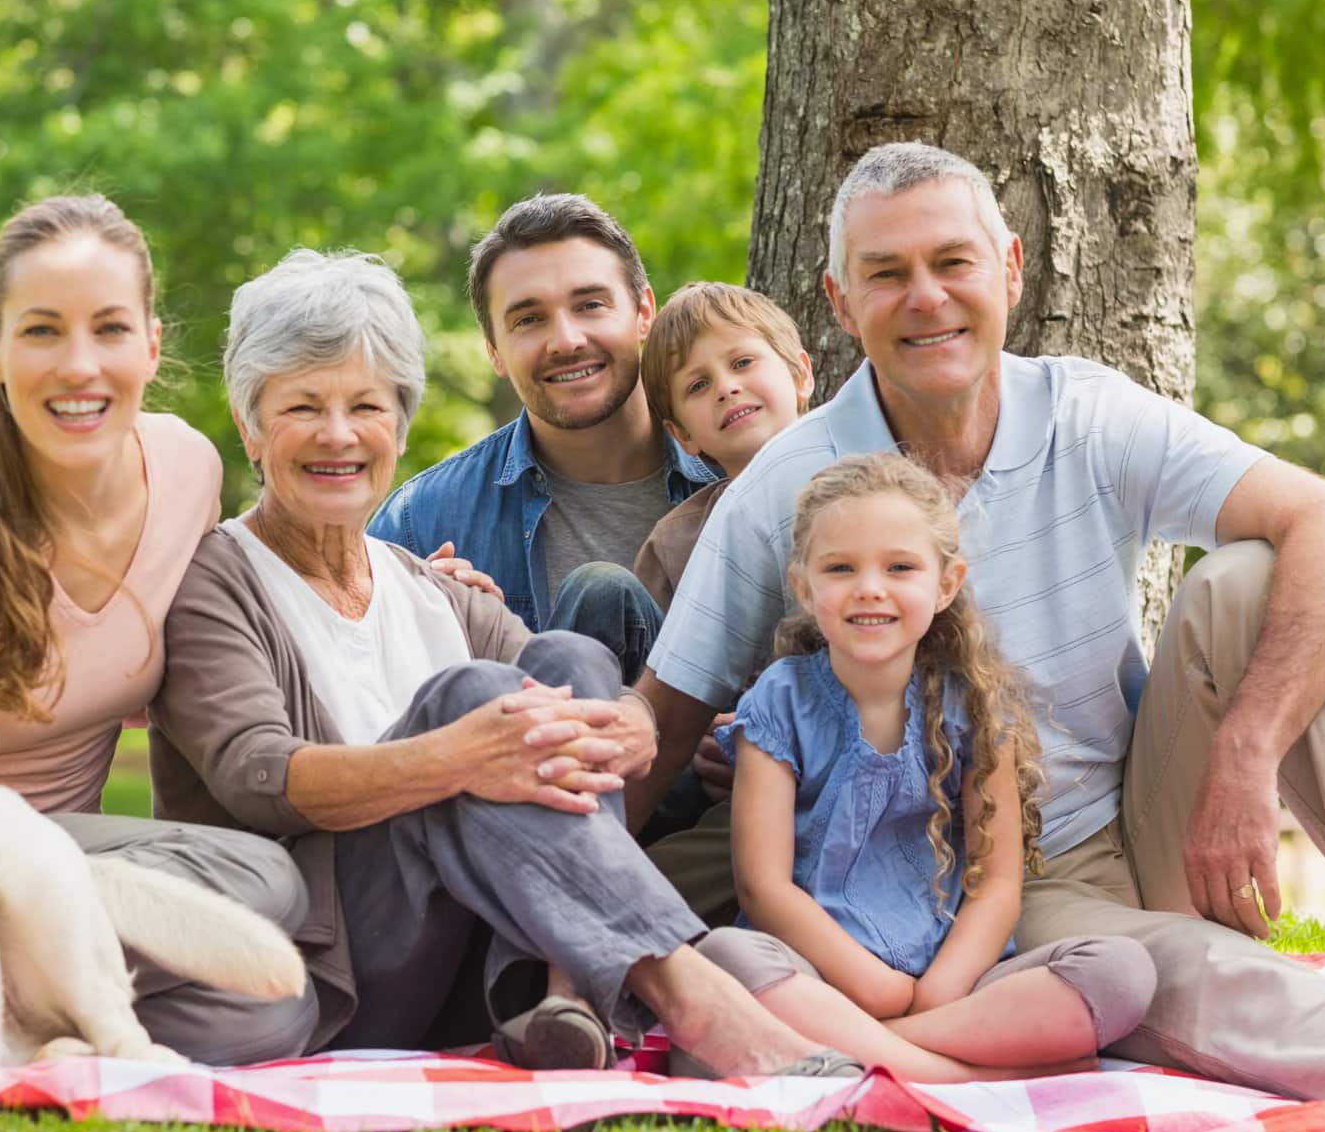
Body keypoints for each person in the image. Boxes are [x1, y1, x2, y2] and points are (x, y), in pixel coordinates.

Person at [629, 141, 1325, 1118]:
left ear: (1009, 267)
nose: (926, 296)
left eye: (952, 261)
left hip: (1144, 808)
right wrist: (574, 921)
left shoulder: (1087, 413)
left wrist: (1244, 756)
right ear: (841, 305)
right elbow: (663, 719)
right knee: (1201, 978)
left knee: (1268, 574)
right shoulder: (785, 487)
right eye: (887, 274)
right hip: (982, 883)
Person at [149, 246, 1018, 1082]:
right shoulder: (218, 578)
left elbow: (584, 697)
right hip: (325, 972)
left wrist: (684, 733)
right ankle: (685, 989)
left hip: (470, 979)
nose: (339, 435)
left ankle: (571, 988)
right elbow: (253, 775)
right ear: (250, 426)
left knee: (568, 655)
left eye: (368, 406)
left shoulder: (429, 589)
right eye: (304, 406)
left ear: (399, 422)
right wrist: (454, 755)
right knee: (473, 697)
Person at [0, 193, 316, 1066]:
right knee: (263, 884)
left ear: (151, 343)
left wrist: (417, 579)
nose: (80, 366)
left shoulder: (186, 466)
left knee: (267, 1020)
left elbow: (242, 609)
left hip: (62, 890)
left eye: (109, 329)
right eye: (41, 331)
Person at [709, 452, 1154, 1072]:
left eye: (900, 567)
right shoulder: (780, 701)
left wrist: (935, 992)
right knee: (728, 958)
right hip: (822, 973)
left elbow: (998, 885)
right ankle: (958, 1075)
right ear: (804, 587)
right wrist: (876, 989)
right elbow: (763, 887)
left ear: (945, 583)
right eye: (840, 567)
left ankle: (874, 1060)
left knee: (1119, 973)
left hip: (951, 981)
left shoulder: (973, 702)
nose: (870, 587)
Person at [367, 193, 716, 685]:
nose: (566, 340)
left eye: (590, 305)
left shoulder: (744, 473)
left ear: (644, 313)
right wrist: (427, 634)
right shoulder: (418, 525)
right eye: (529, 319)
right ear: (494, 351)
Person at [627, 281, 814, 880]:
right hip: (733, 798)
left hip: (863, 764)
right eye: (698, 386)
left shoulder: (872, 487)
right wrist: (708, 737)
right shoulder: (677, 541)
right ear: (683, 434)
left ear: (800, 373)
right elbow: (662, 690)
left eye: (741, 363)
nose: (726, 386)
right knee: (663, 881)